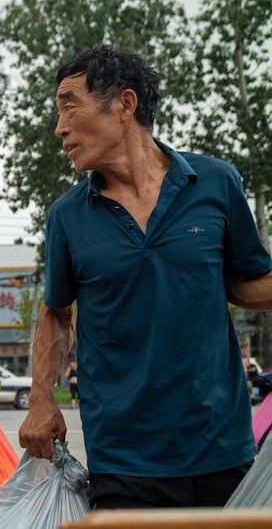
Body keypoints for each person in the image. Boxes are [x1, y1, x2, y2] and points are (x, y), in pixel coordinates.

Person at [19, 45, 272, 510]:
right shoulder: (66, 216)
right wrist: (40, 398)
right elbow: (57, 312)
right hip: (123, 457)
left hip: (221, 447)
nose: (60, 127)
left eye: (69, 105)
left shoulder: (217, 183)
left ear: (124, 104)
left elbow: (242, 283)